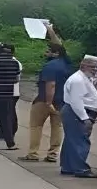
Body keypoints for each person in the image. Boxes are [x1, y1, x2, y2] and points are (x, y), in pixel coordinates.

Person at [22, 24, 69, 163]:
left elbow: (51, 85)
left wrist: (48, 102)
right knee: (57, 127)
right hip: (62, 101)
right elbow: (59, 45)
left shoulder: (50, 66)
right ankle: (53, 154)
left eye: (48, 51)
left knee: (36, 126)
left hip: (44, 100)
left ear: (55, 54)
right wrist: (50, 30)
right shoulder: (66, 62)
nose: (46, 53)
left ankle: (33, 153)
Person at [60, 58, 97, 178]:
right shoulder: (78, 80)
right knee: (79, 140)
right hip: (76, 112)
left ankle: (68, 166)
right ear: (83, 66)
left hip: (76, 111)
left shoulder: (84, 78)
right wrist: (84, 118)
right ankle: (80, 168)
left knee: (72, 139)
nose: (95, 69)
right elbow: (76, 101)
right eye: (92, 67)